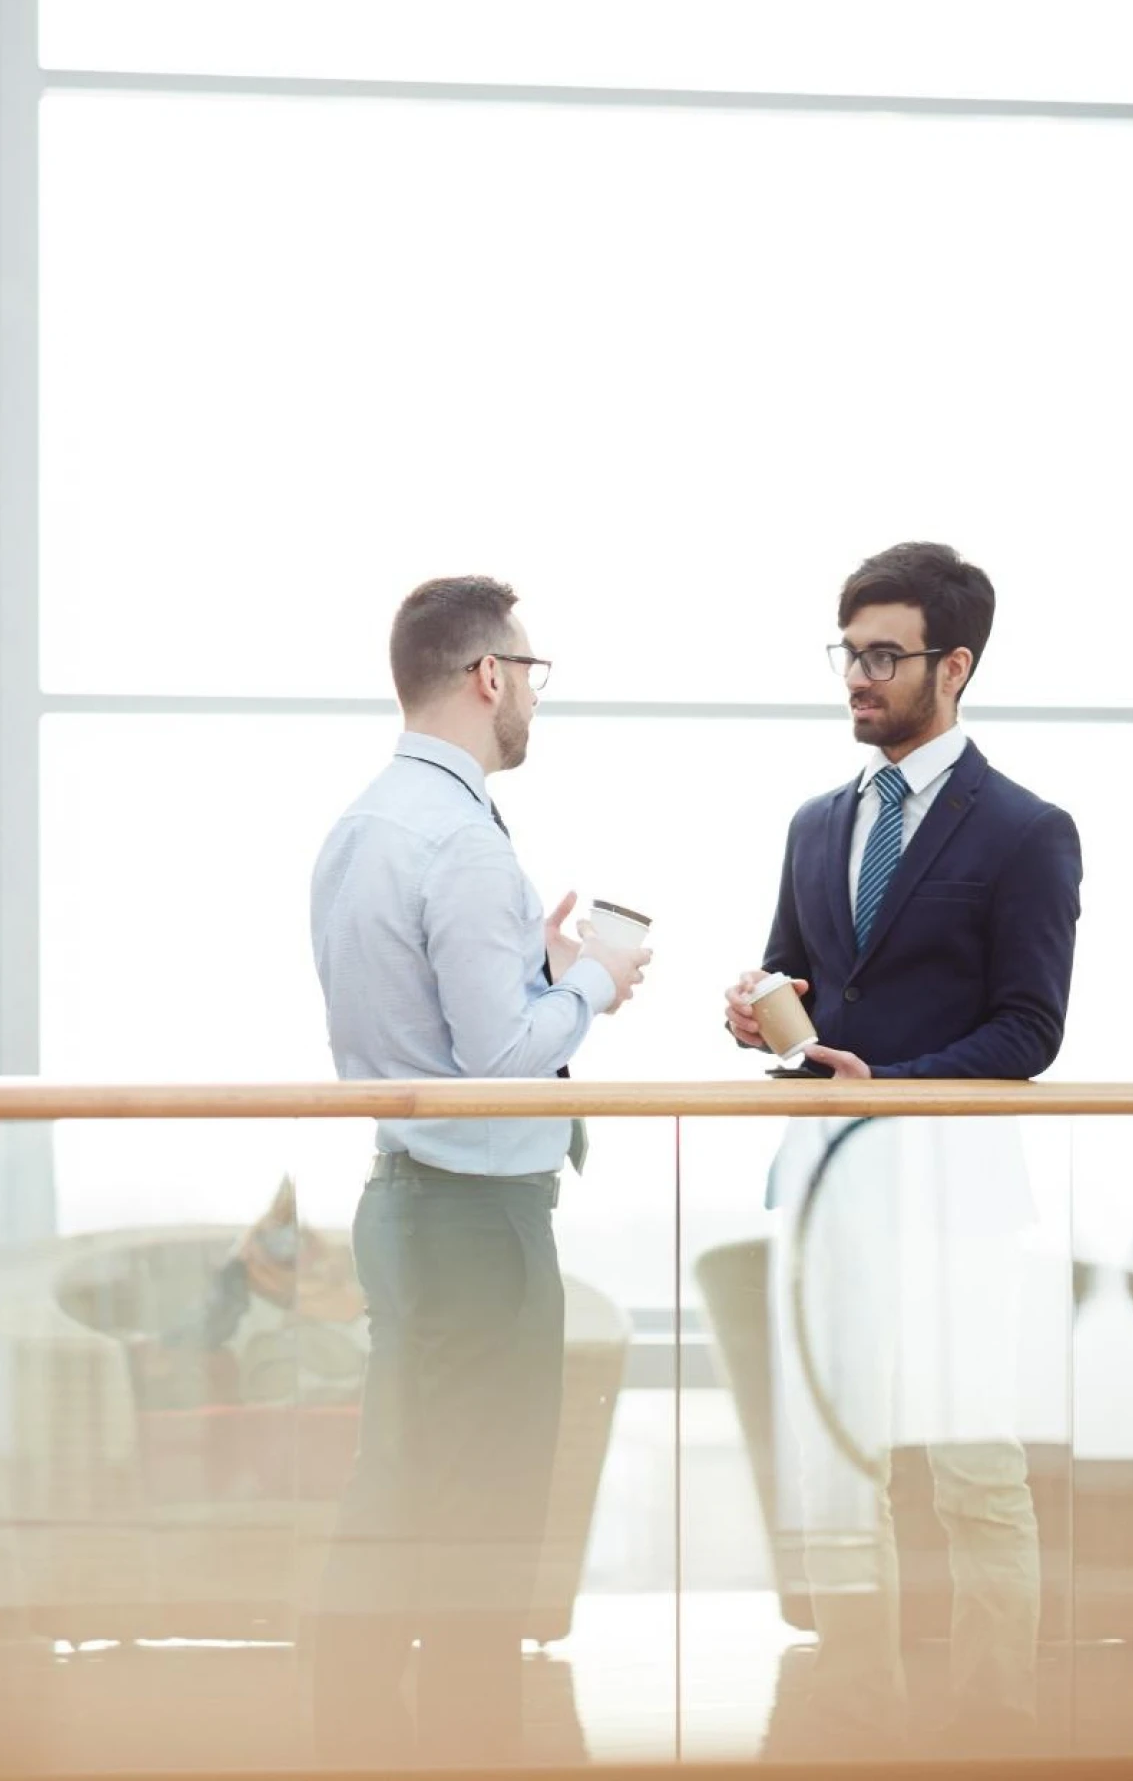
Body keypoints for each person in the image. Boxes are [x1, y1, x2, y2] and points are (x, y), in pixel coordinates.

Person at [722, 541, 1083, 1755]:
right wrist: (760, 1013)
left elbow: (1029, 1030)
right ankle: (858, 1725)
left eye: (884, 655)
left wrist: (894, 1088)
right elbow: (804, 981)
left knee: (975, 1471)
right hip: (828, 1195)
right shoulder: (816, 822)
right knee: (838, 1477)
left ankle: (995, 1727)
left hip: (958, 1194)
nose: (858, 678)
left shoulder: (1028, 832)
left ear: (955, 665)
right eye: (850, 653)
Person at [308, 574, 648, 1765]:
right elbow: (501, 1058)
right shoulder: (456, 839)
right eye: (531, 674)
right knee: (485, 1516)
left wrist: (533, 967)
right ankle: (468, 1750)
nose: (534, 703)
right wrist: (593, 984)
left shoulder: (363, 825)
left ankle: (350, 1737)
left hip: (402, 1204)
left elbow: (422, 1025)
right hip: (479, 1226)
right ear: (486, 676)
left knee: (401, 1489)